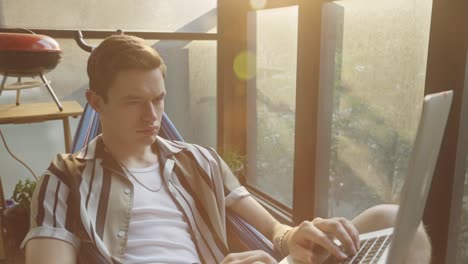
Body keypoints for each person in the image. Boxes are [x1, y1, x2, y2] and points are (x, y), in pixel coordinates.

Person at [22, 34, 431, 264]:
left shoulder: (198, 160)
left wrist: (301, 237)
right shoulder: (65, 179)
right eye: (133, 102)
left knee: (392, 219)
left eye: (159, 99)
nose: (152, 115)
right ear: (96, 102)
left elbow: (276, 232)